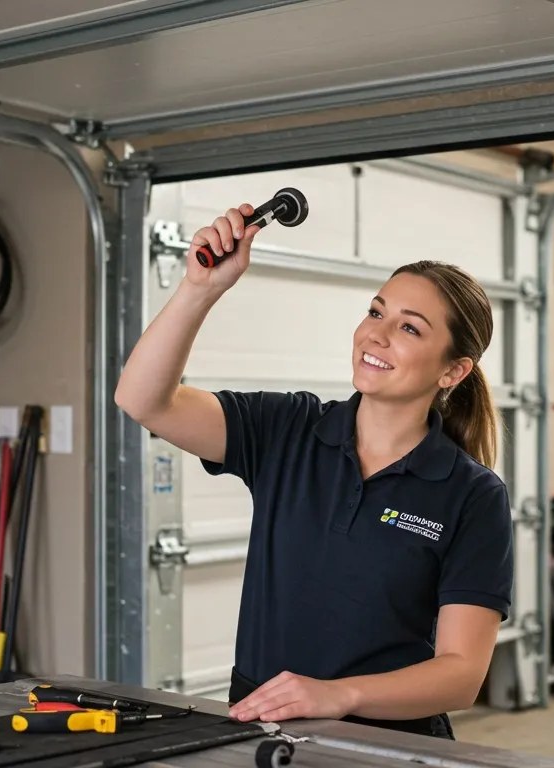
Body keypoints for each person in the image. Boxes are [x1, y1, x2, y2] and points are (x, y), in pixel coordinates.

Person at [114, 202, 514, 739]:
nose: (376, 334)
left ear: (453, 370)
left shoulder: (472, 494)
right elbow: (143, 400)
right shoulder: (289, 429)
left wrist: (337, 695)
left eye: (409, 329)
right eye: (376, 312)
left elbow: (461, 674)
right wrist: (200, 288)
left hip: (389, 744)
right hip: (264, 732)